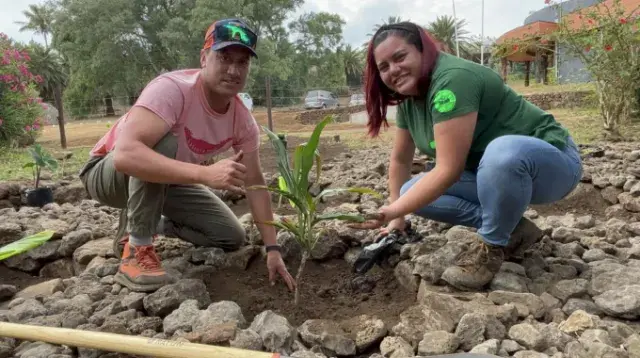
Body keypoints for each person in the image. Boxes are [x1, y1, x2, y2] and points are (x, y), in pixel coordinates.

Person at [352, 22, 583, 291]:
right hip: (493, 175)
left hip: (552, 166)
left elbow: (449, 169)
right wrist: (397, 218)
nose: (393, 70)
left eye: (400, 57)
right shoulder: (410, 102)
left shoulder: (453, 79)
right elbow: (401, 161)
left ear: (423, 51)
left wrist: (390, 209)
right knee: (410, 192)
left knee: (501, 152)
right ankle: (514, 230)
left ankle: (492, 246)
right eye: (384, 67)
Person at [78, 18, 295, 293]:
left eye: (242, 63)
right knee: (165, 142)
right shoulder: (172, 89)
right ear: (204, 58)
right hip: (105, 175)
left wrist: (272, 248)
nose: (233, 70)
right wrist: (204, 174)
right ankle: (137, 249)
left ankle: (147, 220)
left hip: (166, 181)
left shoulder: (243, 120)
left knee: (231, 235)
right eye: (224, 57)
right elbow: (125, 155)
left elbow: (255, 183)